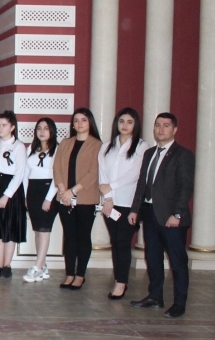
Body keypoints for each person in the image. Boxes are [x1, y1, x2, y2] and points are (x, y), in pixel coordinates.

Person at [129, 113, 194, 319]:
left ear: (174, 130)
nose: (161, 129)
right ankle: (155, 296)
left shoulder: (183, 155)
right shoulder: (149, 153)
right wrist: (134, 209)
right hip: (150, 214)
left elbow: (185, 187)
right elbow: (142, 184)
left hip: (171, 218)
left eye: (166, 125)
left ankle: (179, 303)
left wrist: (177, 214)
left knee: (177, 262)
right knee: (153, 258)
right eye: (157, 125)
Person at [99, 108, 149, 300]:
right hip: (110, 203)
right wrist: (108, 198)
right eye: (121, 121)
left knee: (123, 242)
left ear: (136, 124)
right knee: (115, 241)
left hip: (130, 203)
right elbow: (102, 173)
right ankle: (119, 278)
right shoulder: (107, 146)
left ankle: (121, 282)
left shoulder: (142, 146)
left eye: (129, 122)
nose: (125, 125)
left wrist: (111, 186)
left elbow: (135, 174)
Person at [53, 108, 103, 290]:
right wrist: (63, 191)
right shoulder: (65, 143)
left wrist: (72, 191)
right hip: (64, 198)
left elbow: (93, 173)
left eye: (83, 120)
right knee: (69, 236)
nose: (79, 123)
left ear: (90, 123)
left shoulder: (97, 145)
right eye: (76, 120)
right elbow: (57, 168)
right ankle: (69, 274)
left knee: (83, 237)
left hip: (86, 199)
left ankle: (80, 275)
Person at [0, 110, 28, 279]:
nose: (0, 128)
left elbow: (19, 173)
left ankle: (7, 265)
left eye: (4, 125)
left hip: (11, 190)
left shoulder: (19, 147)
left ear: (12, 127)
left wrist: (6, 195)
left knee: (9, 227)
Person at [22, 117, 59, 283]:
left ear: (52, 131)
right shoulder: (31, 148)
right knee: (37, 230)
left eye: (46, 128)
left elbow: (58, 176)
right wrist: (25, 195)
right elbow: (25, 174)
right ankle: (42, 265)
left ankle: (37, 267)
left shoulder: (58, 149)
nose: (42, 131)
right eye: (39, 128)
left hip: (49, 190)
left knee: (44, 230)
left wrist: (49, 198)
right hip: (33, 190)